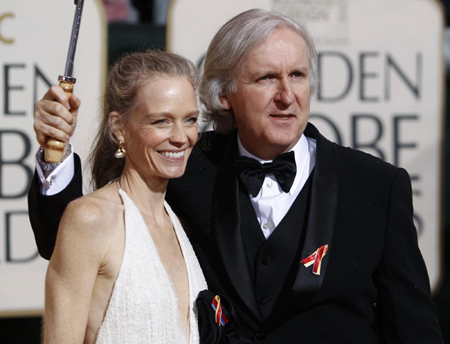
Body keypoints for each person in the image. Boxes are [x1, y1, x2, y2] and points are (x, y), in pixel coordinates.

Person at [29, 9, 443, 343]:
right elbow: (66, 240)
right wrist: (55, 151)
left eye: (297, 75)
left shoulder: (376, 185)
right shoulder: (187, 164)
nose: (287, 95)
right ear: (224, 94)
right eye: (266, 78)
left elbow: (413, 327)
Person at [34, 51, 207, 344]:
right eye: (161, 121)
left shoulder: (181, 221)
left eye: (189, 119)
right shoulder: (90, 219)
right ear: (119, 128)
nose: (181, 137)